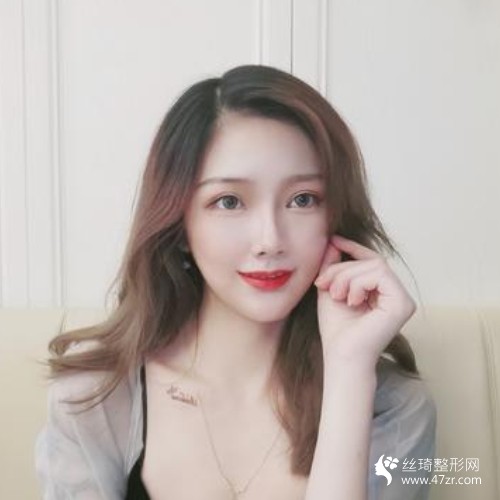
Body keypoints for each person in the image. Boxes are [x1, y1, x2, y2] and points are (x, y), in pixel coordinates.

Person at [35, 64, 436, 500]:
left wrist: (349, 372)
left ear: (336, 214)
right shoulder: (95, 400)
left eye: (303, 199)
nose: (270, 240)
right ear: (179, 223)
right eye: (229, 202)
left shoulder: (394, 408)